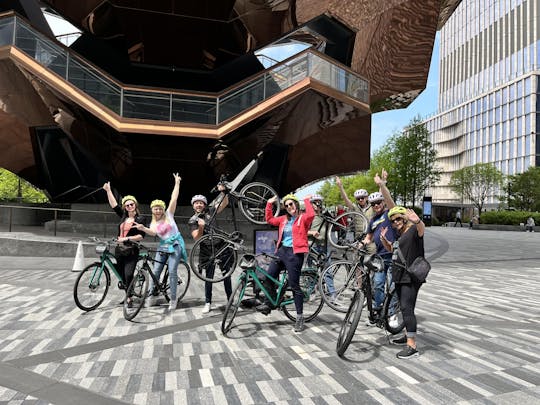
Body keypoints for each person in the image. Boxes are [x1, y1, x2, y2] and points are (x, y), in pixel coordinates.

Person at [257, 193, 315, 333]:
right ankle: (269, 303)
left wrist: (307, 200)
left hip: (295, 254)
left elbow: (312, 214)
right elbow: (269, 219)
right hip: (281, 252)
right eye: (287, 205)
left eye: (291, 204)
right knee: (267, 277)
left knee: (294, 286)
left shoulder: (303, 218)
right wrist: (269, 204)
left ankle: (299, 318)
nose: (289, 207)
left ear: (296, 204)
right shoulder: (283, 219)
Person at [134, 173, 187, 311]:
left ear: (163, 209)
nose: (157, 210)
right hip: (163, 247)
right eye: (155, 208)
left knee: (172, 271)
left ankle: (173, 299)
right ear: (152, 210)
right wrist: (143, 228)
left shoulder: (169, 214)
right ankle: (151, 296)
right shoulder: (153, 222)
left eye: (159, 208)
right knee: (156, 271)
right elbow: (153, 233)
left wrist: (177, 183)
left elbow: (174, 198)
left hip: (175, 245)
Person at [380, 206, 425, 359]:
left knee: (407, 308)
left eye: (398, 218)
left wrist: (418, 221)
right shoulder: (401, 235)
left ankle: (412, 346)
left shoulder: (412, 231)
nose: (396, 222)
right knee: (405, 307)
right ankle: (407, 336)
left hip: (410, 277)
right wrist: (384, 240)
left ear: (405, 218)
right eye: (393, 221)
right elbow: (393, 249)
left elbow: (421, 230)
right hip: (399, 276)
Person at [188, 183, 232, 314]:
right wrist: (201, 226)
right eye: (196, 203)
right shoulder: (192, 220)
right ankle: (208, 302)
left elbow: (223, 203)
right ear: (193, 205)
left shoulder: (210, 211)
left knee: (226, 274)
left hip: (220, 246)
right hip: (206, 249)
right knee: (209, 276)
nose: (199, 205)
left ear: (205, 204)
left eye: (201, 203)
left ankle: (230, 301)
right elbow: (196, 237)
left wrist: (224, 192)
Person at [360, 171, 397, 325]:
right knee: (378, 285)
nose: (376, 206)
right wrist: (361, 244)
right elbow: (368, 237)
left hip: (394, 256)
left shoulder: (390, 213)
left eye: (379, 203)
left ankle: (393, 314)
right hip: (380, 257)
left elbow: (389, 200)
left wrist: (382, 184)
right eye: (373, 204)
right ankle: (378, 310)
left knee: (393, 287)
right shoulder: (373, 220)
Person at [102, 182, 146, 304]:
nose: (129, 206)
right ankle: (128, 293)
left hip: (131, 250)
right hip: (119, 250)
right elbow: (114, 205)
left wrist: (126, 239)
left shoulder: (140, 219)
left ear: (135, 205)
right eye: (127, 205)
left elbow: (140, 236)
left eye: (131, 204)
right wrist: (108, 191)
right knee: (121, 274)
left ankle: (129, 297)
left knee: (128, 274)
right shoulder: (124, 217)